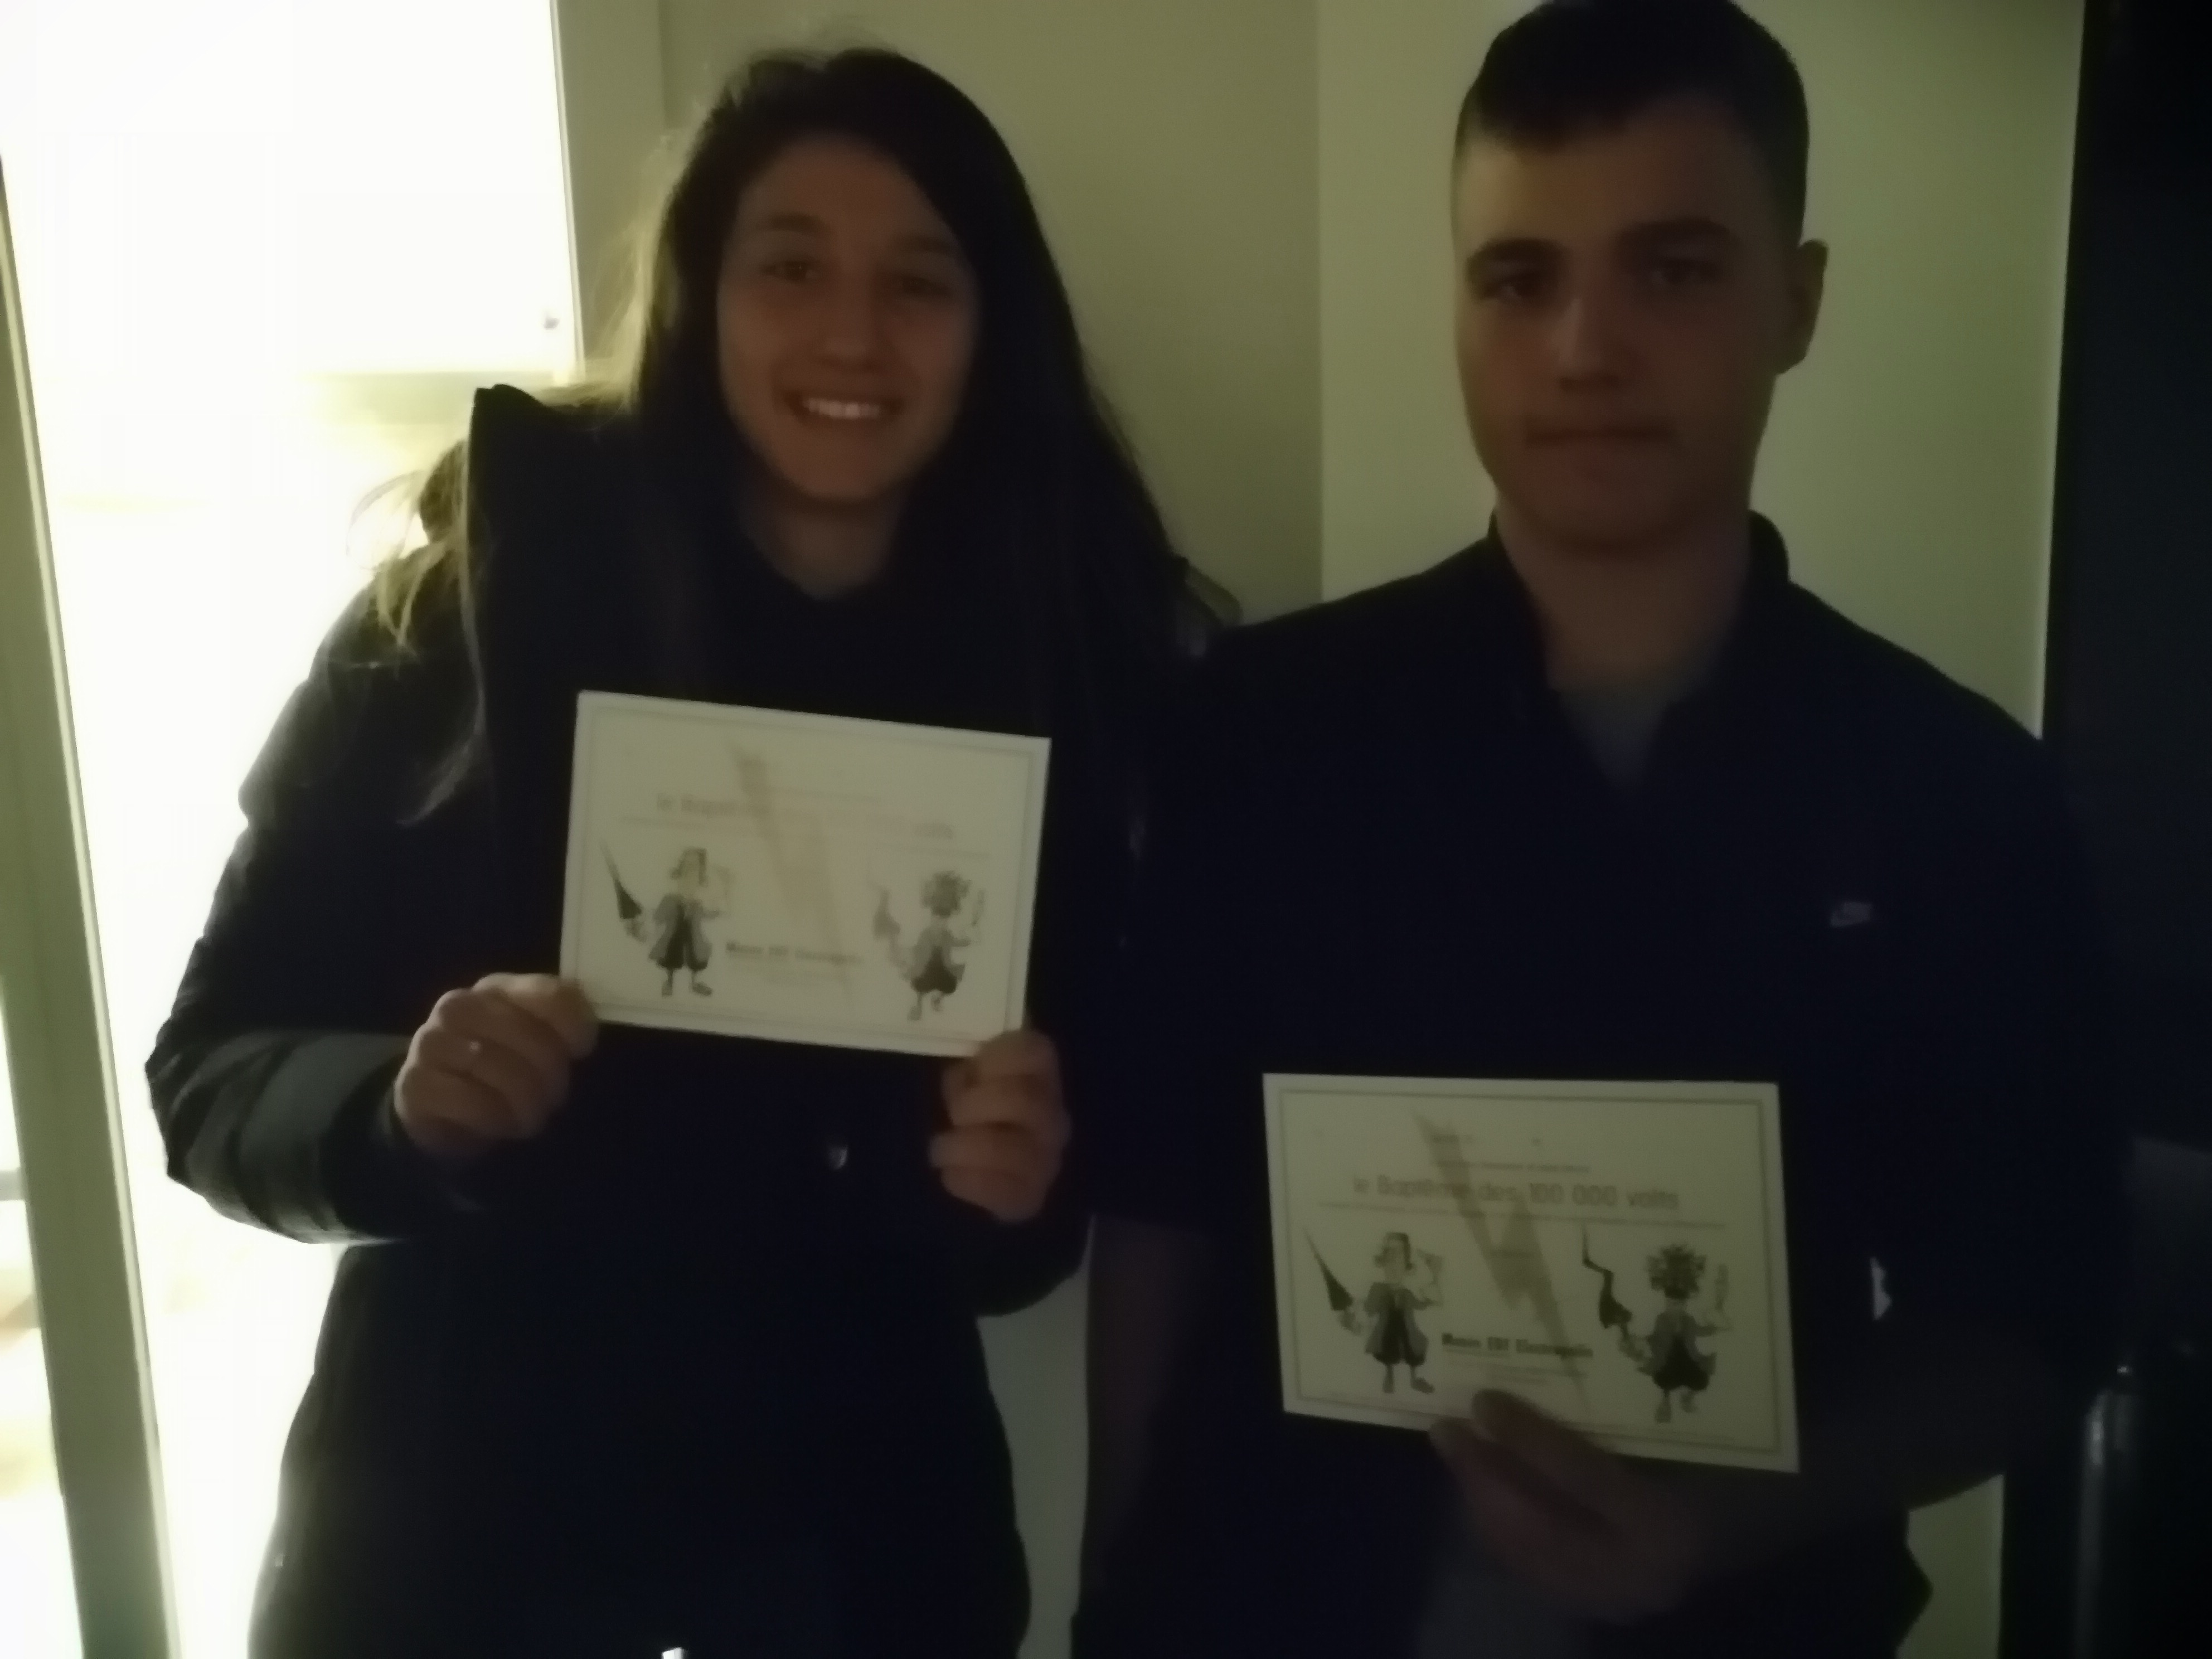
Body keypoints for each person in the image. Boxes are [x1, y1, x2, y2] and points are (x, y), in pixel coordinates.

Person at [1076, 3, 2122, 1656]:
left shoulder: (1958, 793)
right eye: (1518, 280)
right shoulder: (1260, 735)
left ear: (1800, 299)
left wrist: (1725, 1513)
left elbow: (2028, 1312)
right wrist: (1110, 1604)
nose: (1584, 348)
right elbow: (1163, 1212)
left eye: (1674, 270)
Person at [149, 47, 1214, 1659]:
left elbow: (1043, 1217)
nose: (852, 334)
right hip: (455, 1533)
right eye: (791, 267)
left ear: (992, 331)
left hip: (859, 1556)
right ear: (702, 298)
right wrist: (397, 1110)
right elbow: (212, 1069)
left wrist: (1016, 1182)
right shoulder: (455, 619)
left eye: (918, 282)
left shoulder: (1068, 660)